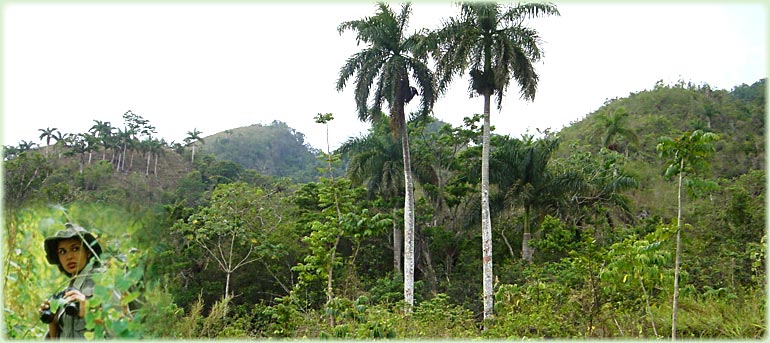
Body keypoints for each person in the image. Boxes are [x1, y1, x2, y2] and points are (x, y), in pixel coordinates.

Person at [38, 223, 103, 339]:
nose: (69, 257)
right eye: (62, 252)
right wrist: (52, 321)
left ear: (88, 252)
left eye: (75, 249)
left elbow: (122, 331)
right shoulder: (64, 294)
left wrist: (88, 311)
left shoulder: (103, 283)